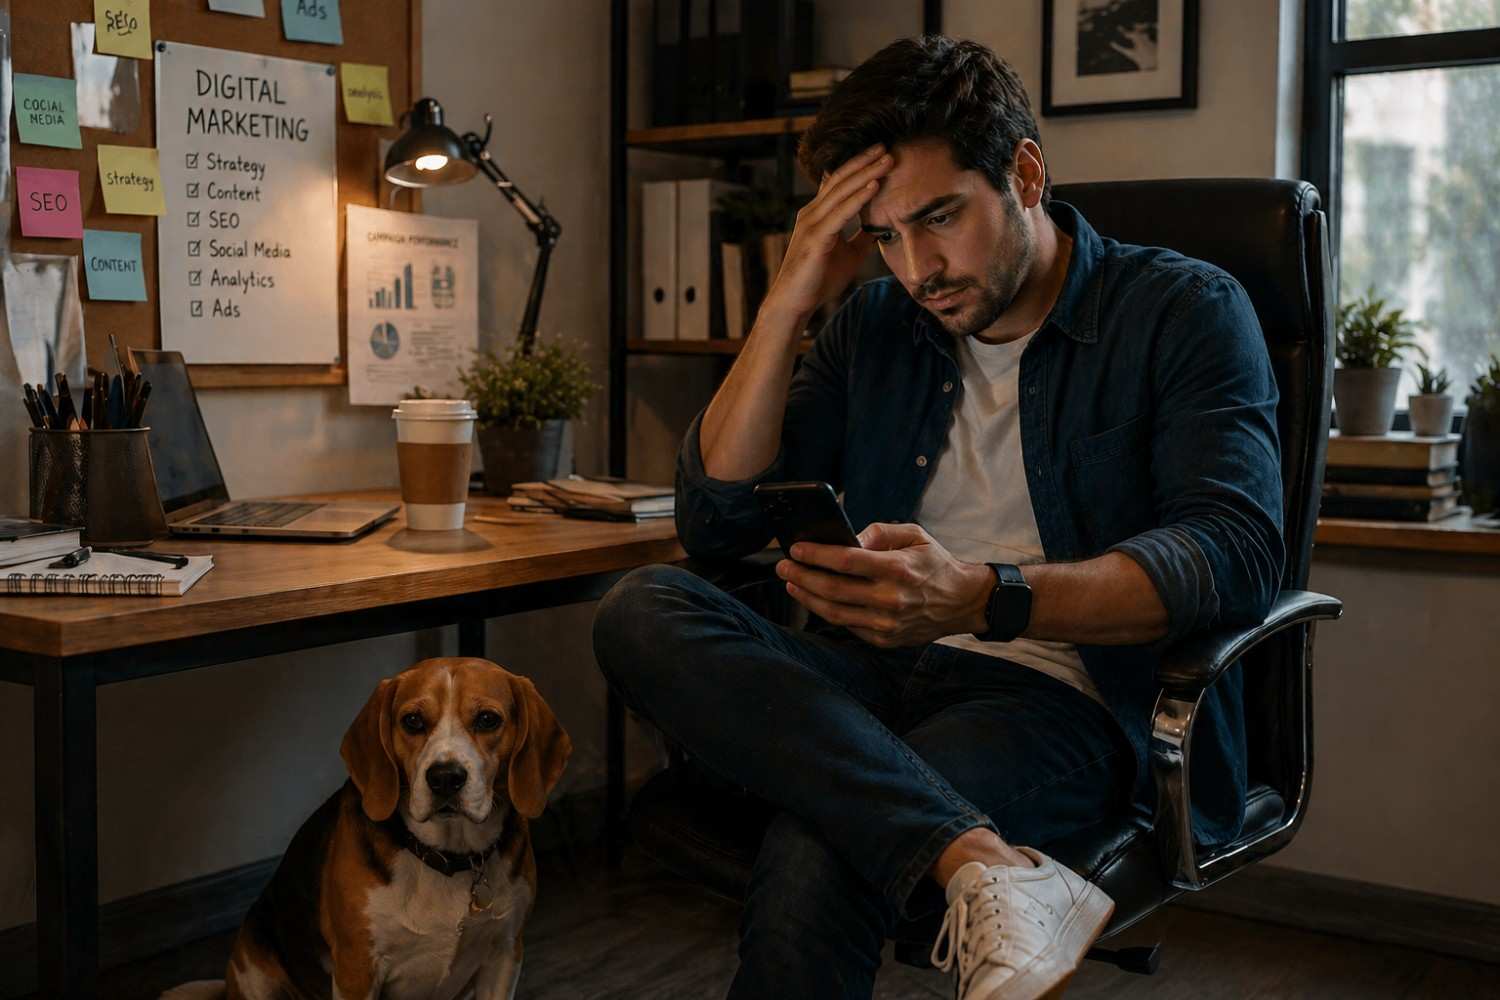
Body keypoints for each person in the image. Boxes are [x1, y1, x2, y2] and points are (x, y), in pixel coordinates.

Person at [593, 34, 1284, 1000]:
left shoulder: (1185, 310)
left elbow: (1232, 555)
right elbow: (718, 517)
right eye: (884, 235)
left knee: (818, 843)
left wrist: (981, 598)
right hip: (872, 672)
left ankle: (964, 856)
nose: (918, 267)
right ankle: (982, 866)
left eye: (940, 218)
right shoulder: (878, 323)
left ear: (1026, 175)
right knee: (640, 607)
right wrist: (793, 290)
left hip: (1061, 699)